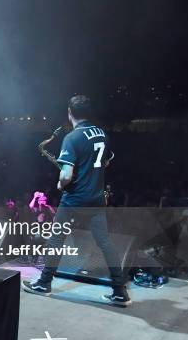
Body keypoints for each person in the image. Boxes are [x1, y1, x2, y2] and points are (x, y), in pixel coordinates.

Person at [22, 95, 131, 306]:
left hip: (74, 198)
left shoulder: (72, 138)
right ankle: (119, 291)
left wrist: (60, 185)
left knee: (56, 240)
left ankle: (44, 284)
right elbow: (106, 163)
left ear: (69, 113)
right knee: (105, 243)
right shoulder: (101, 133)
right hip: (96, 198)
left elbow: (66, 175)